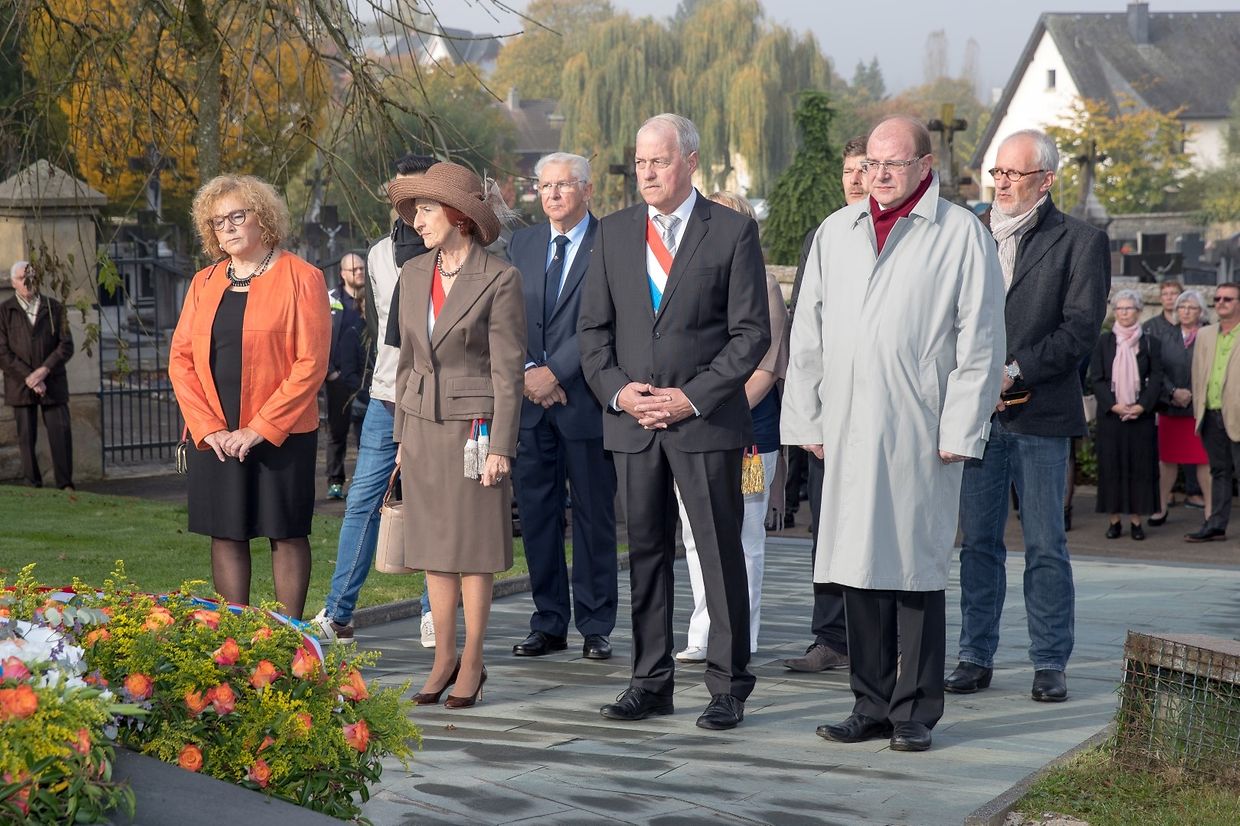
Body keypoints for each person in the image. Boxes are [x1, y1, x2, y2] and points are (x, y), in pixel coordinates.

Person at [783, 116, 1005, 753]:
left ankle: (914, 712)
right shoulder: (837, 231)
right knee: (857, 570)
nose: (879, 175)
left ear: (924, 166)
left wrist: (962, 425)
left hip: (920, 426)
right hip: (848, 425)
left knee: (913, 572)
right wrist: (806, 417)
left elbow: (981, 340)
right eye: (871, 164)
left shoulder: (960, 233)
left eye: (894, 164)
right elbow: (810, 334)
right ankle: (870, 704)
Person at [579, 113, 770, 731]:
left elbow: (749, 337)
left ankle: (727, 686)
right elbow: (592, 334)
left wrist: (690, 398)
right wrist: (619, 394)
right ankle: (650, 680)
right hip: (634, 426)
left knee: (718, 555)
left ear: (690, 160)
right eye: (639, 162)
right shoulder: (612, 233)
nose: (646, 173)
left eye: (658, 161)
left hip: (704, 424)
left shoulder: (732, 233)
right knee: (647, 554)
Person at [946, 128, 1109, 705]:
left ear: (1046, 179)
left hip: (1039, 415)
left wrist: (1010, 373)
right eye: (998, 173)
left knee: (1045, 545)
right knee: (979, 545)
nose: (1003, 184)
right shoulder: (967, 231)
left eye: (1014, 174)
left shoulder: (1080, 241)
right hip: (975, 418)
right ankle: (974, 655)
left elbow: (1080, 329)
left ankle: (1048, 661)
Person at [387, 162, 525, 709]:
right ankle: (443, 657)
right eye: (414, 209)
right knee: (433, 552)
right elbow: (405, 363)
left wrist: (501, 447)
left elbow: (508, 371)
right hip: (421, 426)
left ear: (459, 215)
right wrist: (401, 433)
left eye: (425, 208)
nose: (416, 220)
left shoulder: (501, 278)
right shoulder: (413, 273)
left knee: (473, 551)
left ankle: (472, 661)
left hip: (475, 432)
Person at [169, 175, 330, 620]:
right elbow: (181, 360)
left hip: (281, 433)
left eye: (238, 215)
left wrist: (258, 429)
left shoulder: (303, 278)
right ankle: (235, 641)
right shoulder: (203, 282)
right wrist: (211, 429)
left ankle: (290, 639)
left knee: (287, 533)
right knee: (227, 533)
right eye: (218, 221)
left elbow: (310, 363)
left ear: (264, 218)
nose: (229, 227)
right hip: (216, 435)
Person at [311, 154, 438, 645]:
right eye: (401, 192)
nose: (409, 202)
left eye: (419, 192)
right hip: (388, 396)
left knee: (432, 506)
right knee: (363, 502)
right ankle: (339, 613)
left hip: (435, 398)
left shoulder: (451, 247)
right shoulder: (381, 253)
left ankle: (434, 613)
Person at [508, 152, 618, 661]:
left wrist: (558, 371)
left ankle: (596, 626)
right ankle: (548, 621)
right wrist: (531, 373)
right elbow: (507, 315)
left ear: (588, 190)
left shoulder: (611, 242)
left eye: (563, 185)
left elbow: (610, 318)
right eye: (545, 186)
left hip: (586, 402)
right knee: (537, 515)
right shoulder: (523, 242)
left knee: (594, 516)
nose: (552, 194)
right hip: (530, 404)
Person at [672, 190, 787, 663]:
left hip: (747, 432)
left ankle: (742, 632)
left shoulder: (762, 283)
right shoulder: (683, 277)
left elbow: (765, 367)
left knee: (744, 537)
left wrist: (713, 405)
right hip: (691, 424)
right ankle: (705, 629)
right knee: (696, 535)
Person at [780, 134, 868, 674]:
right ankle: (831, 636)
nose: (857, 179)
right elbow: (801, 327)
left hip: (886, 408)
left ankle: (887, 637)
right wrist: (806, 412)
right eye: (849, 171)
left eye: (866, 168)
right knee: (826, 527)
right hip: (830, 410)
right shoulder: (825, 235)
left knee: (881, 525)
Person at [1090, 290, 1163, 539]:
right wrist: (1114, 405)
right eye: (1119, 308)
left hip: (1140, 417)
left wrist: (1142, 405)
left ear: (1139, 311)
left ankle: (1136, 521)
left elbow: (1156, 378)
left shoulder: (1151, 343)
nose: (1123, 313)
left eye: (1128, 308)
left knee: (1140, 470)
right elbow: (1096, 379)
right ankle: (1114, 521)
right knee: (1111, 468)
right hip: (1112, 416)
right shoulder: (1103, 342)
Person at [0, 260, 76, 490]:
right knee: (26, 437)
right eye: (24, 278)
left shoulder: (54, 307)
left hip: (52, 382)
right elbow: (2, 351)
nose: (29, 282)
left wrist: (43, 372)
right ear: (13, 283)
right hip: (20, 385)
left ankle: (65, 484)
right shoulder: (4, 311)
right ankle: (32, 483)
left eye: (32, 276)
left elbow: (66, 345)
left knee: (61, 434)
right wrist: (30, 378)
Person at [1149, 289, 1211, 525]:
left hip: (1199, 409)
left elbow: (1212, 368)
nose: (1186, 311)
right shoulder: (1165, 335)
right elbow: (1157, 369)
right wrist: (1174, 391)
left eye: (1191, 307)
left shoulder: (1208, 335)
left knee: (1204, 461)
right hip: (1171, 407)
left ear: (1201, 312)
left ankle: (1210, 511)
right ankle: (1161, 507)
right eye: (1182, 307)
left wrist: (1194, 394)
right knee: (1167, 461)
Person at [1186, 282, 1240, 543]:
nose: (1220, 303)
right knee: (1218, 472)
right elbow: (1198, 375)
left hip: (1237, 415)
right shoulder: (1205, 334)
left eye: (1227, 299)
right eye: (1217, 298)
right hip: (1210, 414)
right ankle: (1216, 525)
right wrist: (1200, 407)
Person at [325, 252, 368, 500]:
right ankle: (335, 482)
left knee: (367, 435)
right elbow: (320, 336)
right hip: (339, 379)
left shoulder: (371, 298)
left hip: (367, 381)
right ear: (342, 274)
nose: (359, 273)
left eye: (361, 268)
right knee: (337, 432)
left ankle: (364, 483)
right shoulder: (332, 300)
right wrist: (329, 371)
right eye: (354, 270)